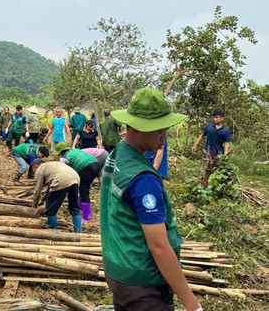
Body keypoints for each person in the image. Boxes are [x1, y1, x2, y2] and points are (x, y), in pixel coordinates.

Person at [100, 87, 201, 311]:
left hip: (119, 267)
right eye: (158, 131)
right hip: (143, 281)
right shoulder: (143, 179)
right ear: (136, 127)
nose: (164, 138)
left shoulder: (119, 153)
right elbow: (159, 246)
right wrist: (191, 303)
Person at [31, 158, 82, 233]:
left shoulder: (40, 169)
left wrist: (34, 206)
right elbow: (50, 187)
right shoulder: (51, 166)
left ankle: (53, 232)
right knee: (74, 207)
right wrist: (42, 200)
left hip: (61, 179)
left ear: (36, 167)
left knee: (50, 208)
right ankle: (78, 231)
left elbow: (37, 191)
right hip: (75, 178)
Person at [53, 142, 100, 222]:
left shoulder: (63, 158)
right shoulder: (74, 151)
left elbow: (62, 172)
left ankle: (86, 216)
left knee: (83, 191)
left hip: (85, 167)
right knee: (83, 188)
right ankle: (81, 208)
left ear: (60, 152)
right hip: (95, 163)